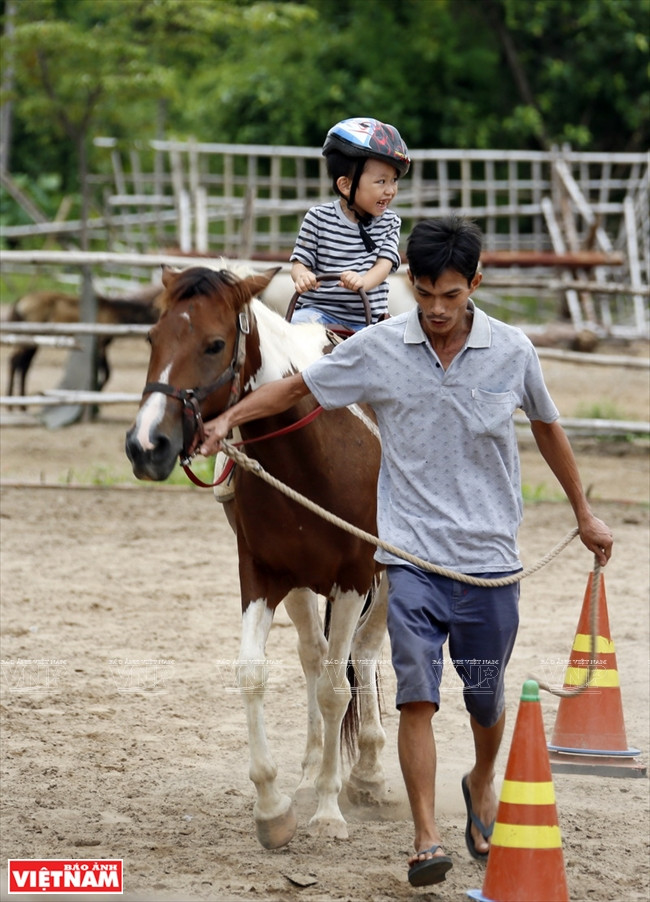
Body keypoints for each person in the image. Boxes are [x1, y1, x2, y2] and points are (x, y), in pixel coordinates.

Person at [198, 215, 613, 887]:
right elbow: (298, 387)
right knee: (415, 696)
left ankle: (481, 779)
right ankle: (425, 836)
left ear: (474, 283)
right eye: (425, 294)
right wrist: (228, 420)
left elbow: (547, 428)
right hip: (409, 556)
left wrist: (585, 514)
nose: (438, 310)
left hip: (488, 560)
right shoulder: (380, 347)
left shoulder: (513, 351)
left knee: (483, 697)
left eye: (451, 295)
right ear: (412, 286)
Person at [289, 117, 410, 331]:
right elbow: (300, 262)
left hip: (367, 319)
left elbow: (384, 265)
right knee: (291, 331)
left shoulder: (390, 222)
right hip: (318, 312)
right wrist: (303, 277)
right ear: (346, 185)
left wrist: (363, 281)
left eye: (394, 180)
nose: (390, 190)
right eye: (381, 181)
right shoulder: (318, 218)